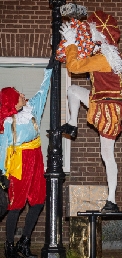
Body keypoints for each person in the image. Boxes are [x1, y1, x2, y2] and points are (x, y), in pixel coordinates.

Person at [58, 10, 122, 213]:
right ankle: (72, 124)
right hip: (101, 101)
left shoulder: (104, 58)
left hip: (108, 106)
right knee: (73, 90)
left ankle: (112, 200)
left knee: (107, 155)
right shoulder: (107, 54)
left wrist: (71, 42)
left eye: (92, 32)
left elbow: (74, 66)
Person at [0, 56, 55, 258]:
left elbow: (43, 90)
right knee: (16, 205)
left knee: (39, 201)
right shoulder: (7, 123)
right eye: (18, 94)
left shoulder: (32, 110)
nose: (23, 95)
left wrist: (50, 69)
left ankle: (25, 242)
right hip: (18, 163)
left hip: (36, 158)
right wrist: (2, 172)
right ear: (11, 101)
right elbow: (2, 147)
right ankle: (9, 246)